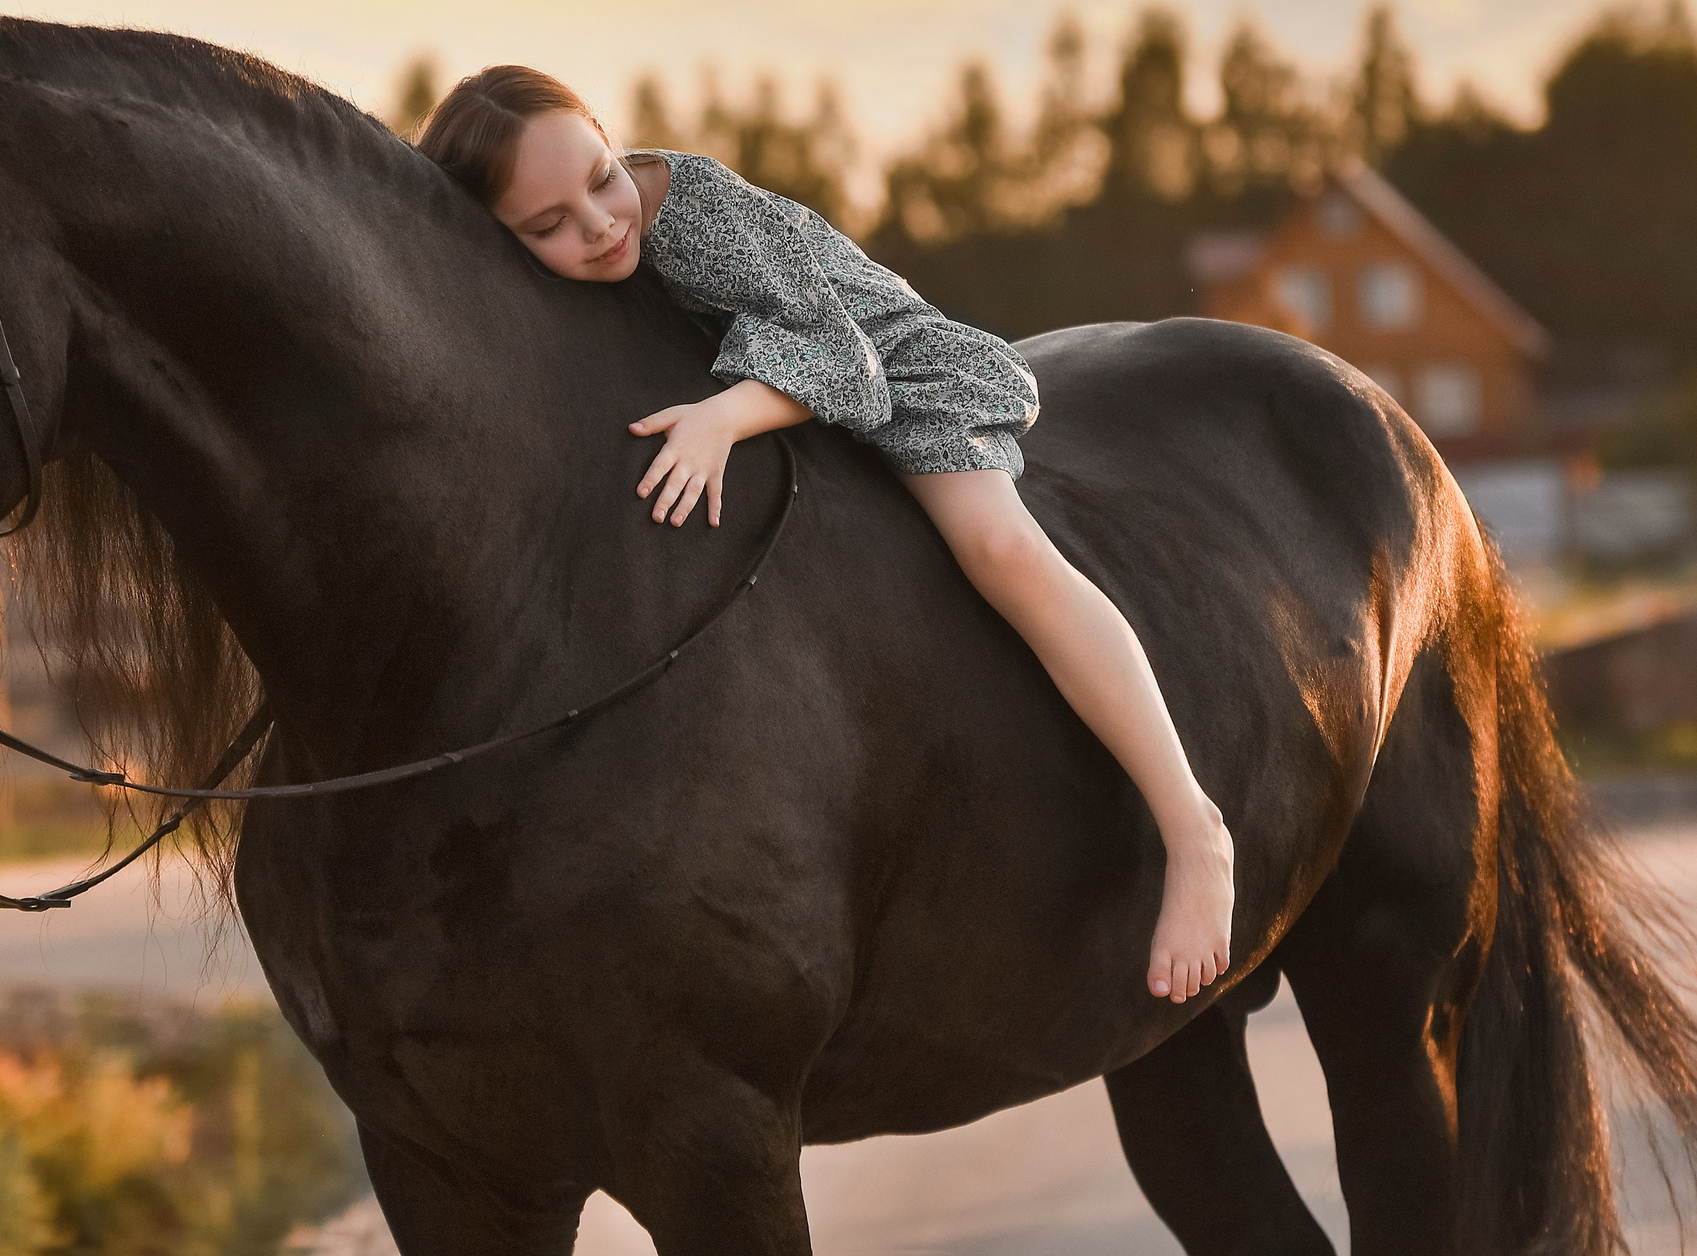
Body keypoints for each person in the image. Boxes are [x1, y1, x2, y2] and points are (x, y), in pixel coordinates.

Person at [417, 66, 1235, 1003]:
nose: (599, 225)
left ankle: (1191, 826)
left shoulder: (690, 209)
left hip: (894, 372)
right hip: (784, 405)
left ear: (611, 137)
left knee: (1001, 553)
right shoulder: (569, 257)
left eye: (600, 178)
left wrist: (723, 418)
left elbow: (848, 360)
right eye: (547, 225)